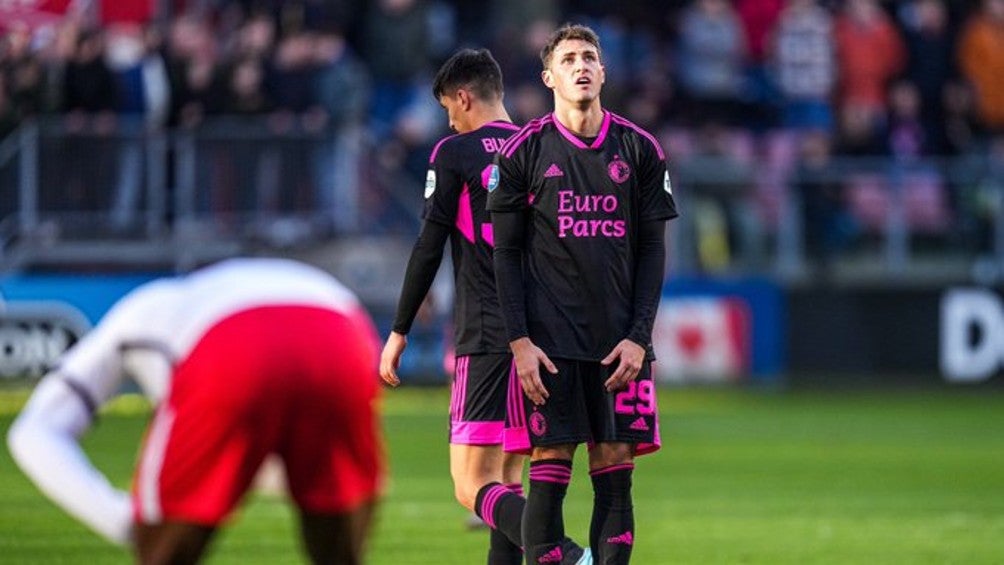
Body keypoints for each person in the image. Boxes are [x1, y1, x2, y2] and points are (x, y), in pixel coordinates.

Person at [7, 257, 384, 565]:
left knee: (164, 553)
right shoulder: (189, 302)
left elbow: (35, 430)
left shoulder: (142, 311)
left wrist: (125, 522)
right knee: (339, 549)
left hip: (230, 342)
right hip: (345, 333)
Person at [378, 48, 589, 565]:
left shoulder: (455, 152)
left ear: (464, 98)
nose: (449, 119)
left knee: (471, 485)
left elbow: (429, 245)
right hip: (550, 335)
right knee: (508, 480)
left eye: (450, 107)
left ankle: (567, 554)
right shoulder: (549, 147)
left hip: (489, 335)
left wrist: (399, 328)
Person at [487, 24, 678, 564]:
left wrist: (639, 338)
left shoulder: (640, 150)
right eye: (568, 59)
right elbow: (504, 256)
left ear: (604, 71)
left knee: (617, 477)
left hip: (620, 348)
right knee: (548, 475)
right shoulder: (523, 152)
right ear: (549, 76)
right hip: (549, 347)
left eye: (590, 57)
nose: (581, 66)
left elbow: (652, 252)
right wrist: (519, 342)